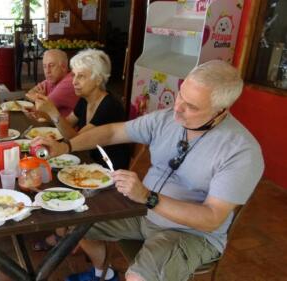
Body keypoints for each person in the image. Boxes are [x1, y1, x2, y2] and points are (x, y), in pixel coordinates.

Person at [34, 60, 264, 281]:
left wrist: (148, 197)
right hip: (141, 212)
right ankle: (102, 274)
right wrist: (66, 146)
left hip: (189, 233)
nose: (177, 108)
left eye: (191, 106)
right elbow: (113, 132)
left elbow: (212, 218)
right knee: (72, 219)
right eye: (181, 94)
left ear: (221, 111)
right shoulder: (166, 120)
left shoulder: (241, 151)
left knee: (139, 277)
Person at [30, 49, 130, 252]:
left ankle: (68, 237)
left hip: (106, 176)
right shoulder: (86, 100)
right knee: (49, 175)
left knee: (55, 184)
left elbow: (78, 140)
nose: (74, 81)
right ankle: (62, 235)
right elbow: (68, 129)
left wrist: (53, 113)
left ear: (98, 78)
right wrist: (48, 123)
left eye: (81, 76)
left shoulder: (108, 106)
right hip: (88, 164)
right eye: (74, 75)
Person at [25, 49, 78, 118]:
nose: (47, 71)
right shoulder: (52, 79)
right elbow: (29, 94)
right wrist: (40, 97)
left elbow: (41, 108)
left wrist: (39, 99)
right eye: (44, 66)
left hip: (66, 127)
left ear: (64, 67)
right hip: (52, 124)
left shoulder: (69, 82)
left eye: (51, 65)